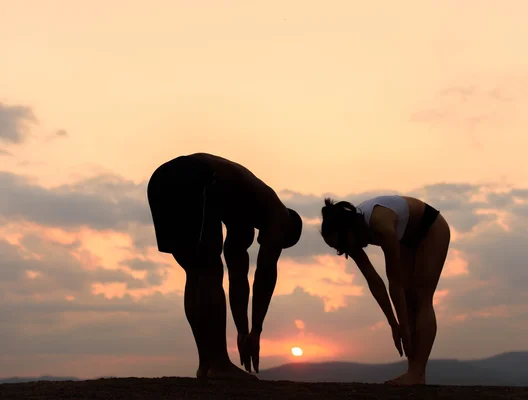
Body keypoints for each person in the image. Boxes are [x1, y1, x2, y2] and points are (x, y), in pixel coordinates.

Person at [147, 153, 303, 380]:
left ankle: (207, 364)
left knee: (196, 271)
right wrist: (256, 331)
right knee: (209, 270)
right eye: (279, 244)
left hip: (161, 180)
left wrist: (243, 331)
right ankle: (219, 364)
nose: (272, 245)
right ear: (287, 231)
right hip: (195, 178)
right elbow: (264, 275)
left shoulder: (244, 218)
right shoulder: (279, 214)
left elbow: (238, 278)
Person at [319, 195, 450, 386]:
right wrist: (393, 324)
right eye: (338, 248)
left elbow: (393, 282)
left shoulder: (380, 224)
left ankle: (416, 373)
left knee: (420, 298)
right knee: (408, 299)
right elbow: (374, 282)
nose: (342, 250)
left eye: (341, 244)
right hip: (407, 237)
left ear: (348, 229)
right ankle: (415, 374)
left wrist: (404, 327)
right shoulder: (349, 237)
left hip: (431, 227)